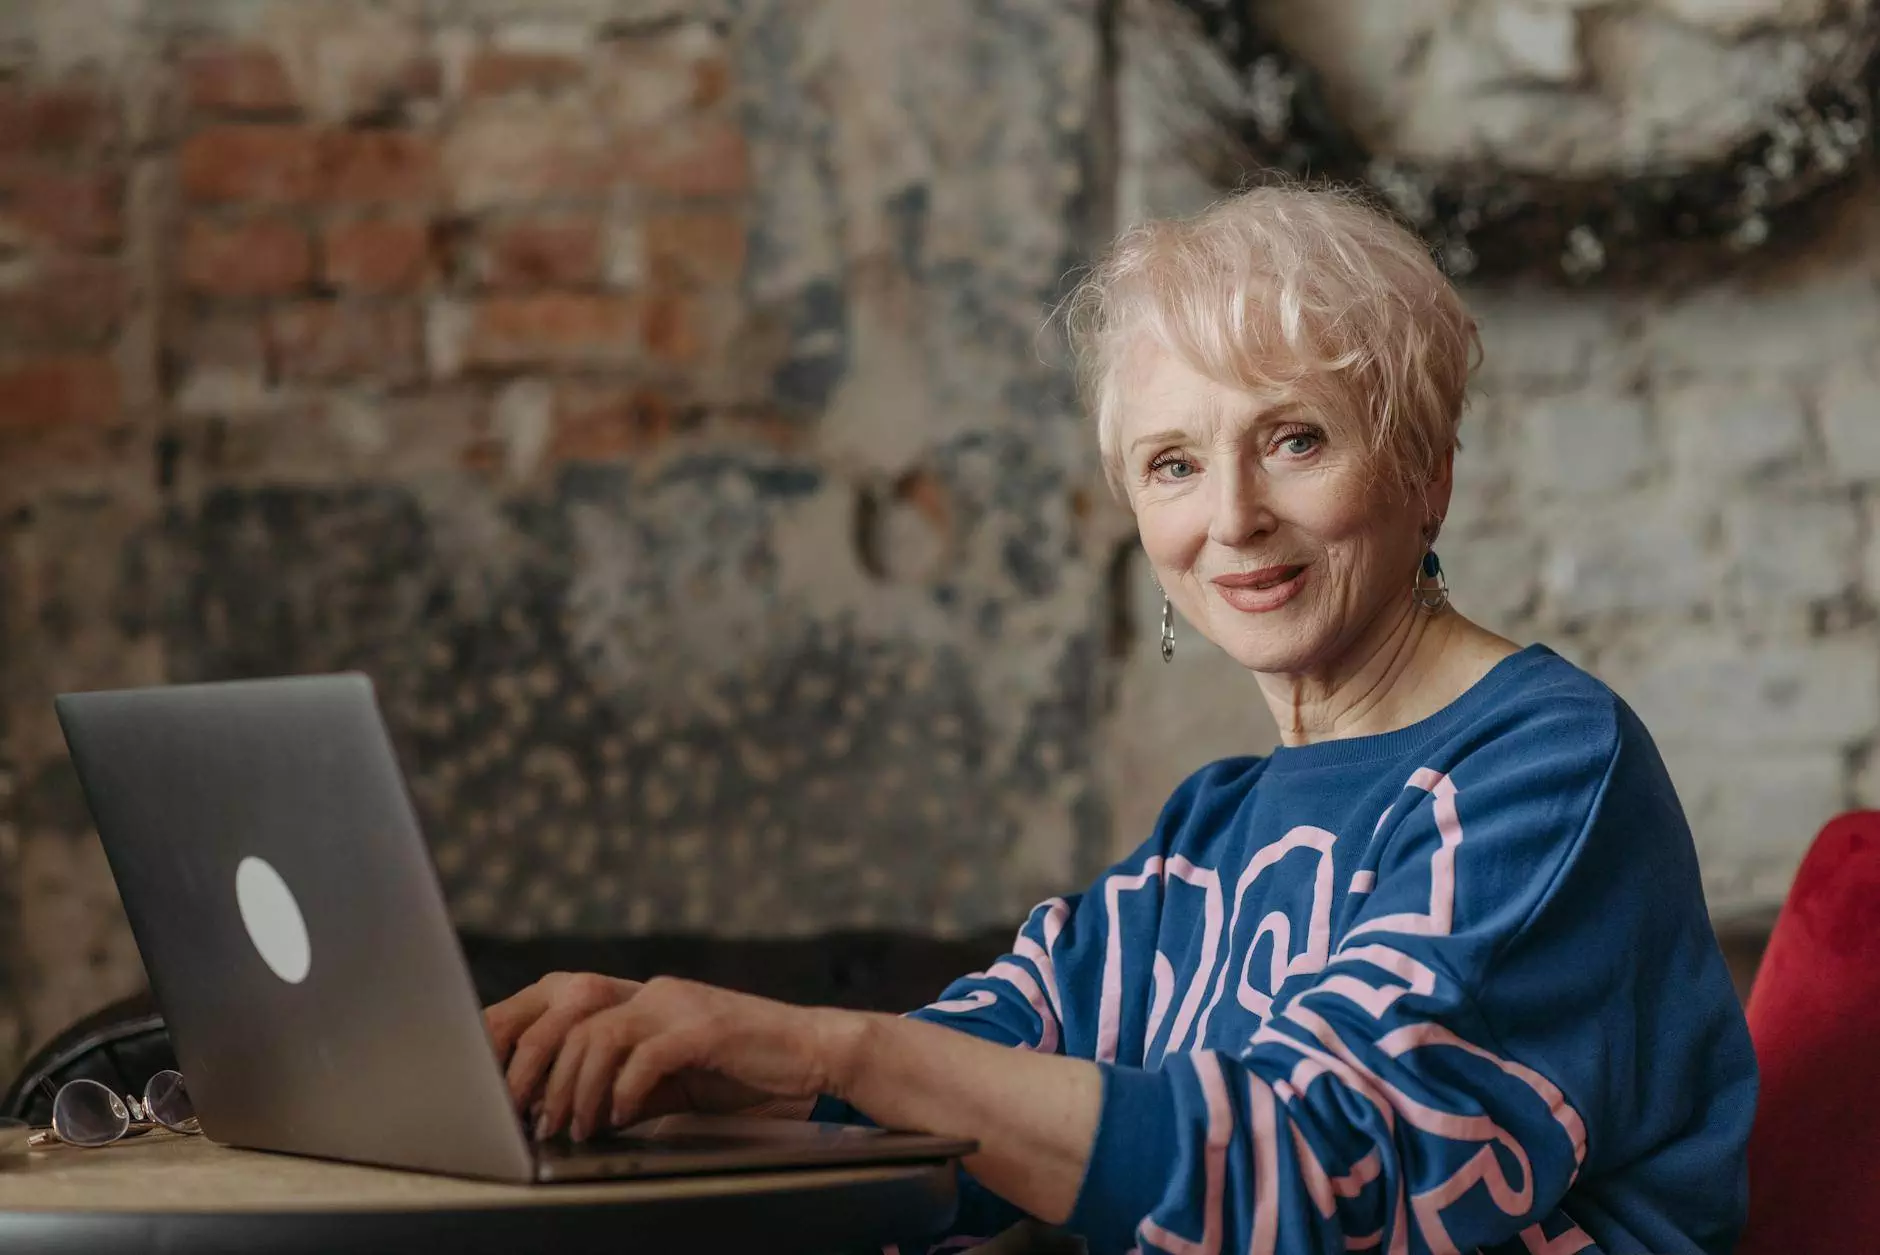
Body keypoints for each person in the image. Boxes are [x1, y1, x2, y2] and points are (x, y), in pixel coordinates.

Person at [483, 184, 1756, 1255]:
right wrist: (686, 1052)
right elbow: (968, 1082)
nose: (1233, 517)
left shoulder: (1544, 764)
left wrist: (826, 1043)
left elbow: (1323, 1176)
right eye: (1174, 464)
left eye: (1296, 440)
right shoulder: (1210, 828)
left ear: (1425, 472)